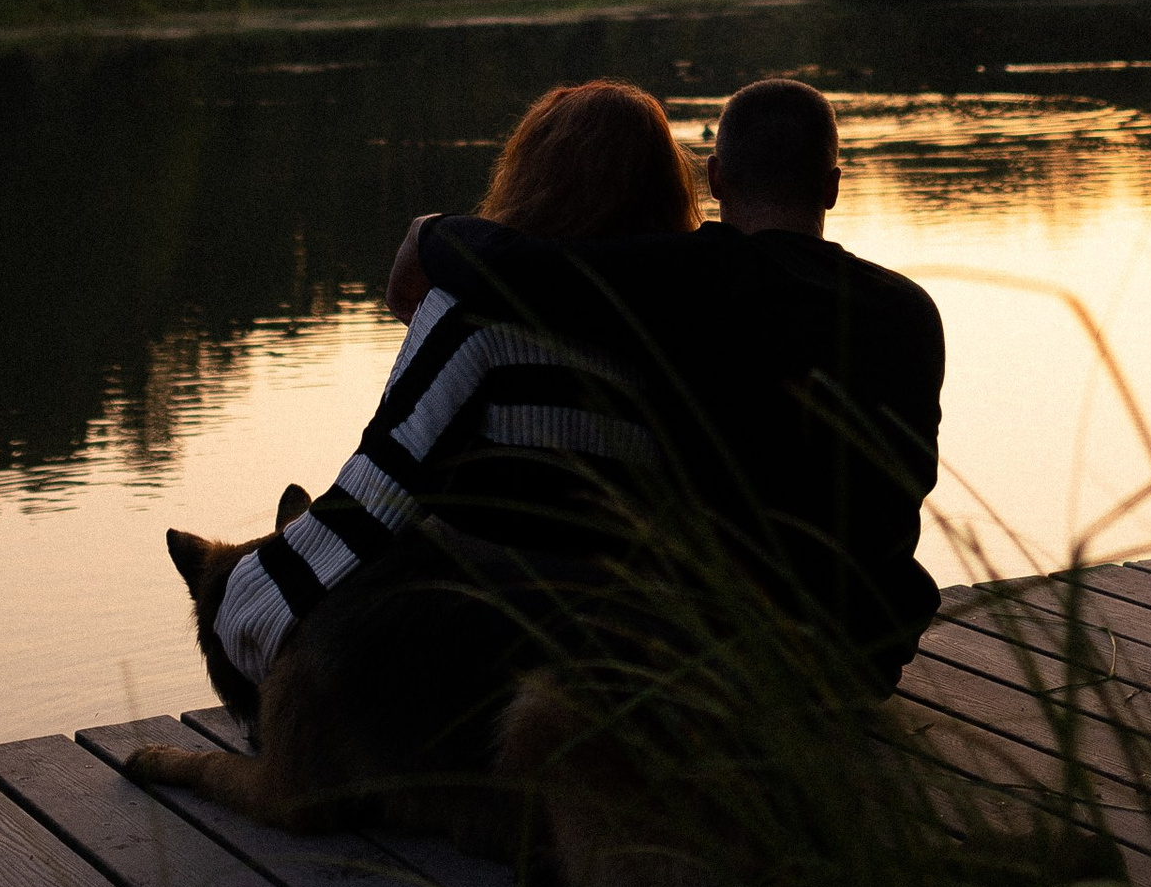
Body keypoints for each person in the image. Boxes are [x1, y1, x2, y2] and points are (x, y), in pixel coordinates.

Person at [207, 72, 944, 708]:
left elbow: (514, 264)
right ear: (833, 187)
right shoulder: (912, 313)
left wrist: (427, 234)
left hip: (719, 667)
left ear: (716, 179)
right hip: (865, 661)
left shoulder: (685, 282)